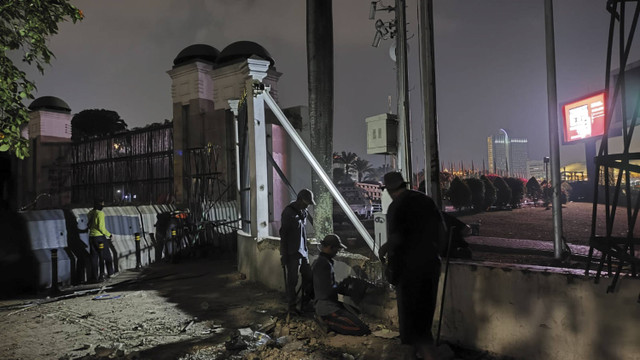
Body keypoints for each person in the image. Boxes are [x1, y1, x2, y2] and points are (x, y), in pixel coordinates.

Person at [378, 172, 445, 360]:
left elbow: (396, 239)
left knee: (412, 324)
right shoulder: (426, 201)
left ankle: (423, 354)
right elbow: (442, 231)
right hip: (431, 266)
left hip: (409, 272)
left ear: (389, 190)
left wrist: (384, 253)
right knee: (424, 318)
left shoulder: (396, 206)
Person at [312, 234, 371, 336]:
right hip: (327, 307)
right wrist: (345, 287)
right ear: (330, 247)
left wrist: (343, 285)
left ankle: (327, 320)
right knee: (361, 329)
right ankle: (326, 322)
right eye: (336, 249)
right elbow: (327, 291)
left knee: (355, 314)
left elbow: (325, 286)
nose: (337, 252)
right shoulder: (323, 264)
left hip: (327, 303)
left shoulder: (321, 262)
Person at [280, 188, 315, 314]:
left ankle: (305, 303)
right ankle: (292, 306)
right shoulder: (288, 213)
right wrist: (283, 254)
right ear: (300, 200)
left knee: (309, 277)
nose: (307, 206)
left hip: (303, 252)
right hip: (292, 253)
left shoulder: (303, 211)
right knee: (292, 281)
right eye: (306, 203)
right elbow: (283, 235)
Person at [88, 198, 113, 282]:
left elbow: (89, 225)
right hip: (99, 237)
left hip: (91, 237)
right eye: (102, 204)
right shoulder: (100, 213)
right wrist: (109, 234)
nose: (103, 205)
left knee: (94, 257)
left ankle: (94, 277)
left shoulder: (90, 213)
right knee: (106, 255)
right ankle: (109, 273)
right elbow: (101, 228)